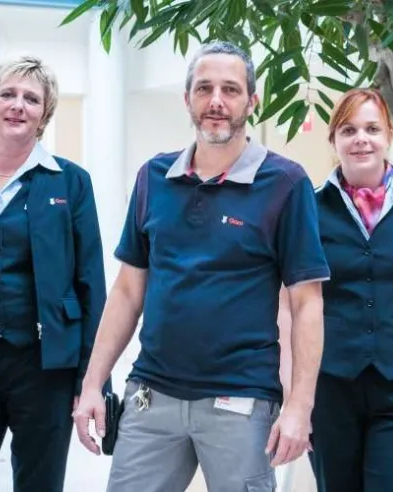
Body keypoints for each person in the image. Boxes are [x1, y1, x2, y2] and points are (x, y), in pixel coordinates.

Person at [70, 40, 329, 492]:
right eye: (204, 88)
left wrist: (299, 407)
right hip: (152, 395)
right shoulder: (154, 177)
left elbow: (307, 304)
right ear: (186, 98)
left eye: (230, 90)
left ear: (252, 101)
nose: (216, 101)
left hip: (242, 401)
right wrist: (93, 383)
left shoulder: (285, 183)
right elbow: (129, 291)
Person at [0, 56, 107, 492]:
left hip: (47, 367)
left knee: (40, 485)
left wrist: (91, 379)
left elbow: (92, 284)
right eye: (8, 94)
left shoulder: (71, 183)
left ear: (44, 114)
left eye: (31, 99)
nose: (18, 105)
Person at [296, 88, 393, 492]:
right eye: (349, 130)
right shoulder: (308, 207)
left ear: (389, 136)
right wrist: (293, 391)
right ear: (334, 140)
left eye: (371, 129)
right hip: (330, 384)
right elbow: (292, 303)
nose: (361, 138)